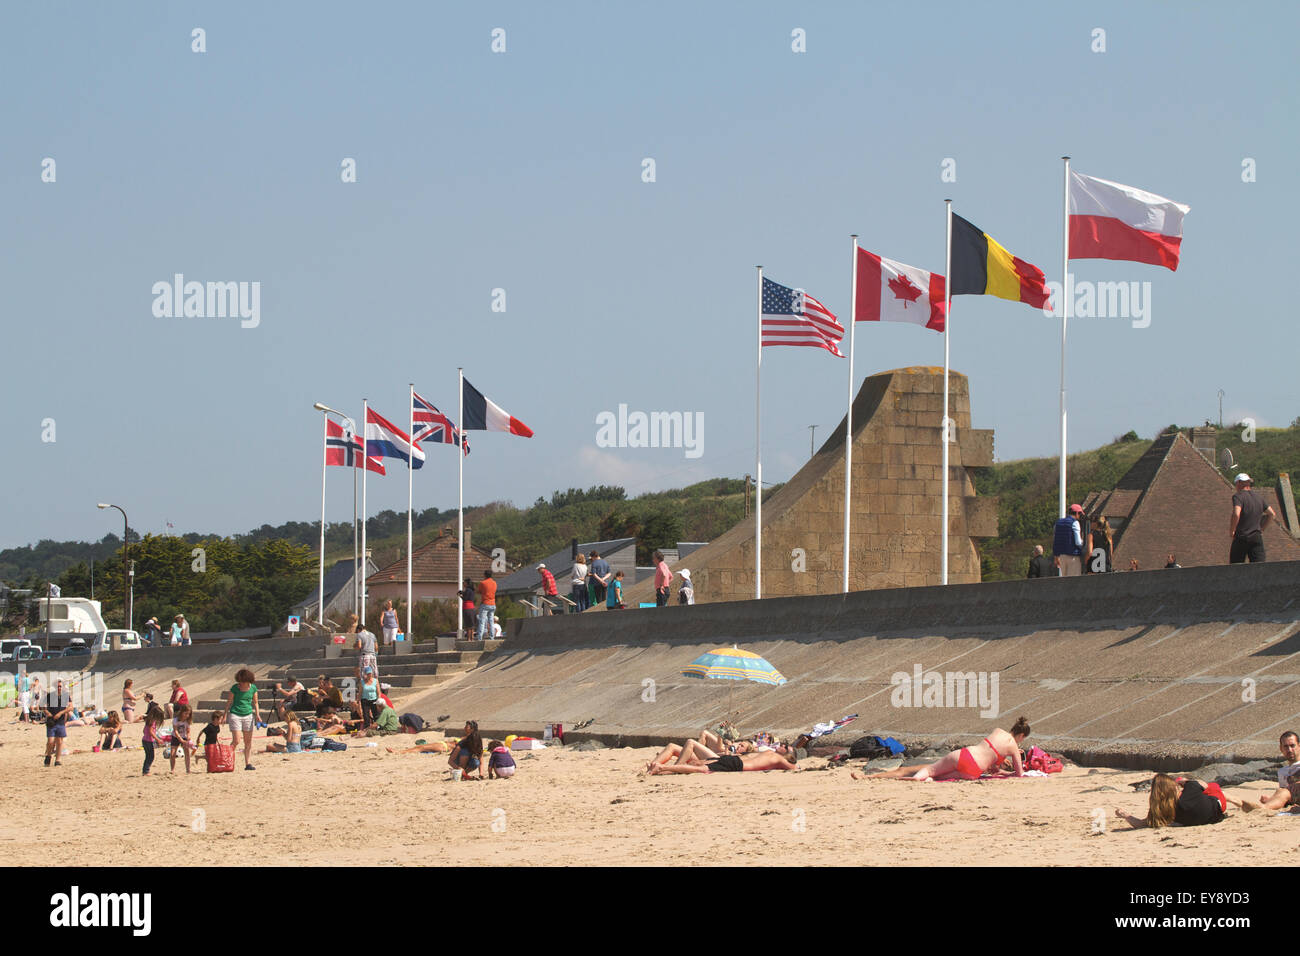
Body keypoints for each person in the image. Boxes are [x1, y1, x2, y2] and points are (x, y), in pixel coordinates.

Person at [855, 716, 1031, 781]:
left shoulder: (998, 731)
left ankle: (869, 777)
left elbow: (990, 751)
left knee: (928, 770)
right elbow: (1019, 774)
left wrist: (1001, 765)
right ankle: (916, 779)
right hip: (973, 772)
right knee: (935, 776)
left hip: (965, 755)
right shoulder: (1014, 748)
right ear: (1022, 736)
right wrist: (1004, 770)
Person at [1114, 774, 1240, 828]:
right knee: (1212, 786)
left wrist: (1125, 815)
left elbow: (1141, 824)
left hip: (1200, 818)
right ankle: (1237, 801)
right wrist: (1184, 781)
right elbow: (1204, 785)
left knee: (1201, 792)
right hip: (1217, 809)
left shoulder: (1162, 811)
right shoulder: (1190, 788)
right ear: (1173, 787)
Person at [1239, 731, 1300, 813]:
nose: (1289, 750)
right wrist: (1271, 799)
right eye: (1286, 746)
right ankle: (1265, 806)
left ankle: (1262, 808)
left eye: (1292, 746)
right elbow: (1286, 797)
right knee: (1281, 791)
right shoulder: (1282, 772)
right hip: (1294, 799)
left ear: (1299, 746)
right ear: (1281, 749)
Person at [649, 743, 801, 774]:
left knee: (698, 765)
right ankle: (662, 767)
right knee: (700, 769)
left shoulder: (767, 753)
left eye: (786, 747)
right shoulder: (777, 758)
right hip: (736, 765)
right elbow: (794, 768)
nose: (783, 745)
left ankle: (660, 770)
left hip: (734, 761)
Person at [1229, 473, 1276, 564]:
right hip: (1256, 537)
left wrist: (1232, 530)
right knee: (1259, 567)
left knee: (1235, 567)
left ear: (1239, 483)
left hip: (1242, 536)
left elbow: (1236, 513)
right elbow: (1272, 514)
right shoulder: (1258, 497)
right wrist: (1262, 529)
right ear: (1248, 483)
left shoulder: (1238, 496)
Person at [222, 668, 262, 771]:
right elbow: (229, 702)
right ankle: (228, 761)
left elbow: (256, 702)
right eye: (240, 681)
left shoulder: (253, 688)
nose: (241, 683)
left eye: (243, 681)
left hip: (248, 715)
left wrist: (257, 714)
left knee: (248, 742)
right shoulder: (235, 688)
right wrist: (225, 714)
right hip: (235, 714)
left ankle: (248, 763)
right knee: (236, 740)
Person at [43, 683, 73, 767]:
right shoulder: (50, 695)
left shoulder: (66, 696)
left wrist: (61, 713)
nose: (59, 688)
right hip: (51, 721)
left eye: (60, 686)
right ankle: (48, 755)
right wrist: (48, 713)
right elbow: (43, 706)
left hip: (60, 721)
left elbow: (71, 707)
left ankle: (58, 760)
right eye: (58, 686)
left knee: (59, 741)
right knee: (50, 741)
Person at [1052, 506, 1085, 577]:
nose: (1079, 517)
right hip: (1072, 556)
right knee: (1073, 582)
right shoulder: (1075, 523)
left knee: (1064, 581)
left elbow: (1055, 541)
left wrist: (1056, 556)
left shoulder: (1058, 523)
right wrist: (1084, 543)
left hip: (1061, 557)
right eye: (1080, 514)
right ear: (1076, 513)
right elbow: (1078, 542)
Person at [169, 704, 196, 772]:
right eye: (186, 713)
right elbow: (175, 731)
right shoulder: (176, 720)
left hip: (184, 737)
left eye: (188, 714)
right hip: (175, 737)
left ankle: (188, 769)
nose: (187, 715)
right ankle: (172, 769)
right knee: (173, 753)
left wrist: (188, 737)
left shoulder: (187, 721)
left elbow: (188, 730)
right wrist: (180, 740)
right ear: (182, 712)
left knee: (187, 753)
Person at [352, 613, 379, 681]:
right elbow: (376, 647)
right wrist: (375, 654)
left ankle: (364, 687)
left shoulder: (360, 635)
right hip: (373, 655)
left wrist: (354, 646)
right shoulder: (372, 634)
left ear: (358, 630)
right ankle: (375, 686)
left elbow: (359, 646)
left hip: (365, 655)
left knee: (364, 673)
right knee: (374, 672)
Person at [140, 702, 165, 775]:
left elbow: (144, 731)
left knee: (148, 756)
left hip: (144, 740)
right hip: (148, 741)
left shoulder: (148, 721)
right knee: (150, 757)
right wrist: (158, 739)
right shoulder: (152, 722)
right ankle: (146, 771)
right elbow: (151, 732)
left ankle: (145, 770)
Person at [476, 570, 497, 640]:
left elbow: (478, 591)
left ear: (485, 575)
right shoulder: (494, 583)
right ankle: (492, 637)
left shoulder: (483, 583)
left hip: (485, 603)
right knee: (491, 621)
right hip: (493, 603)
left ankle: (479, 637)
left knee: (482, 621)